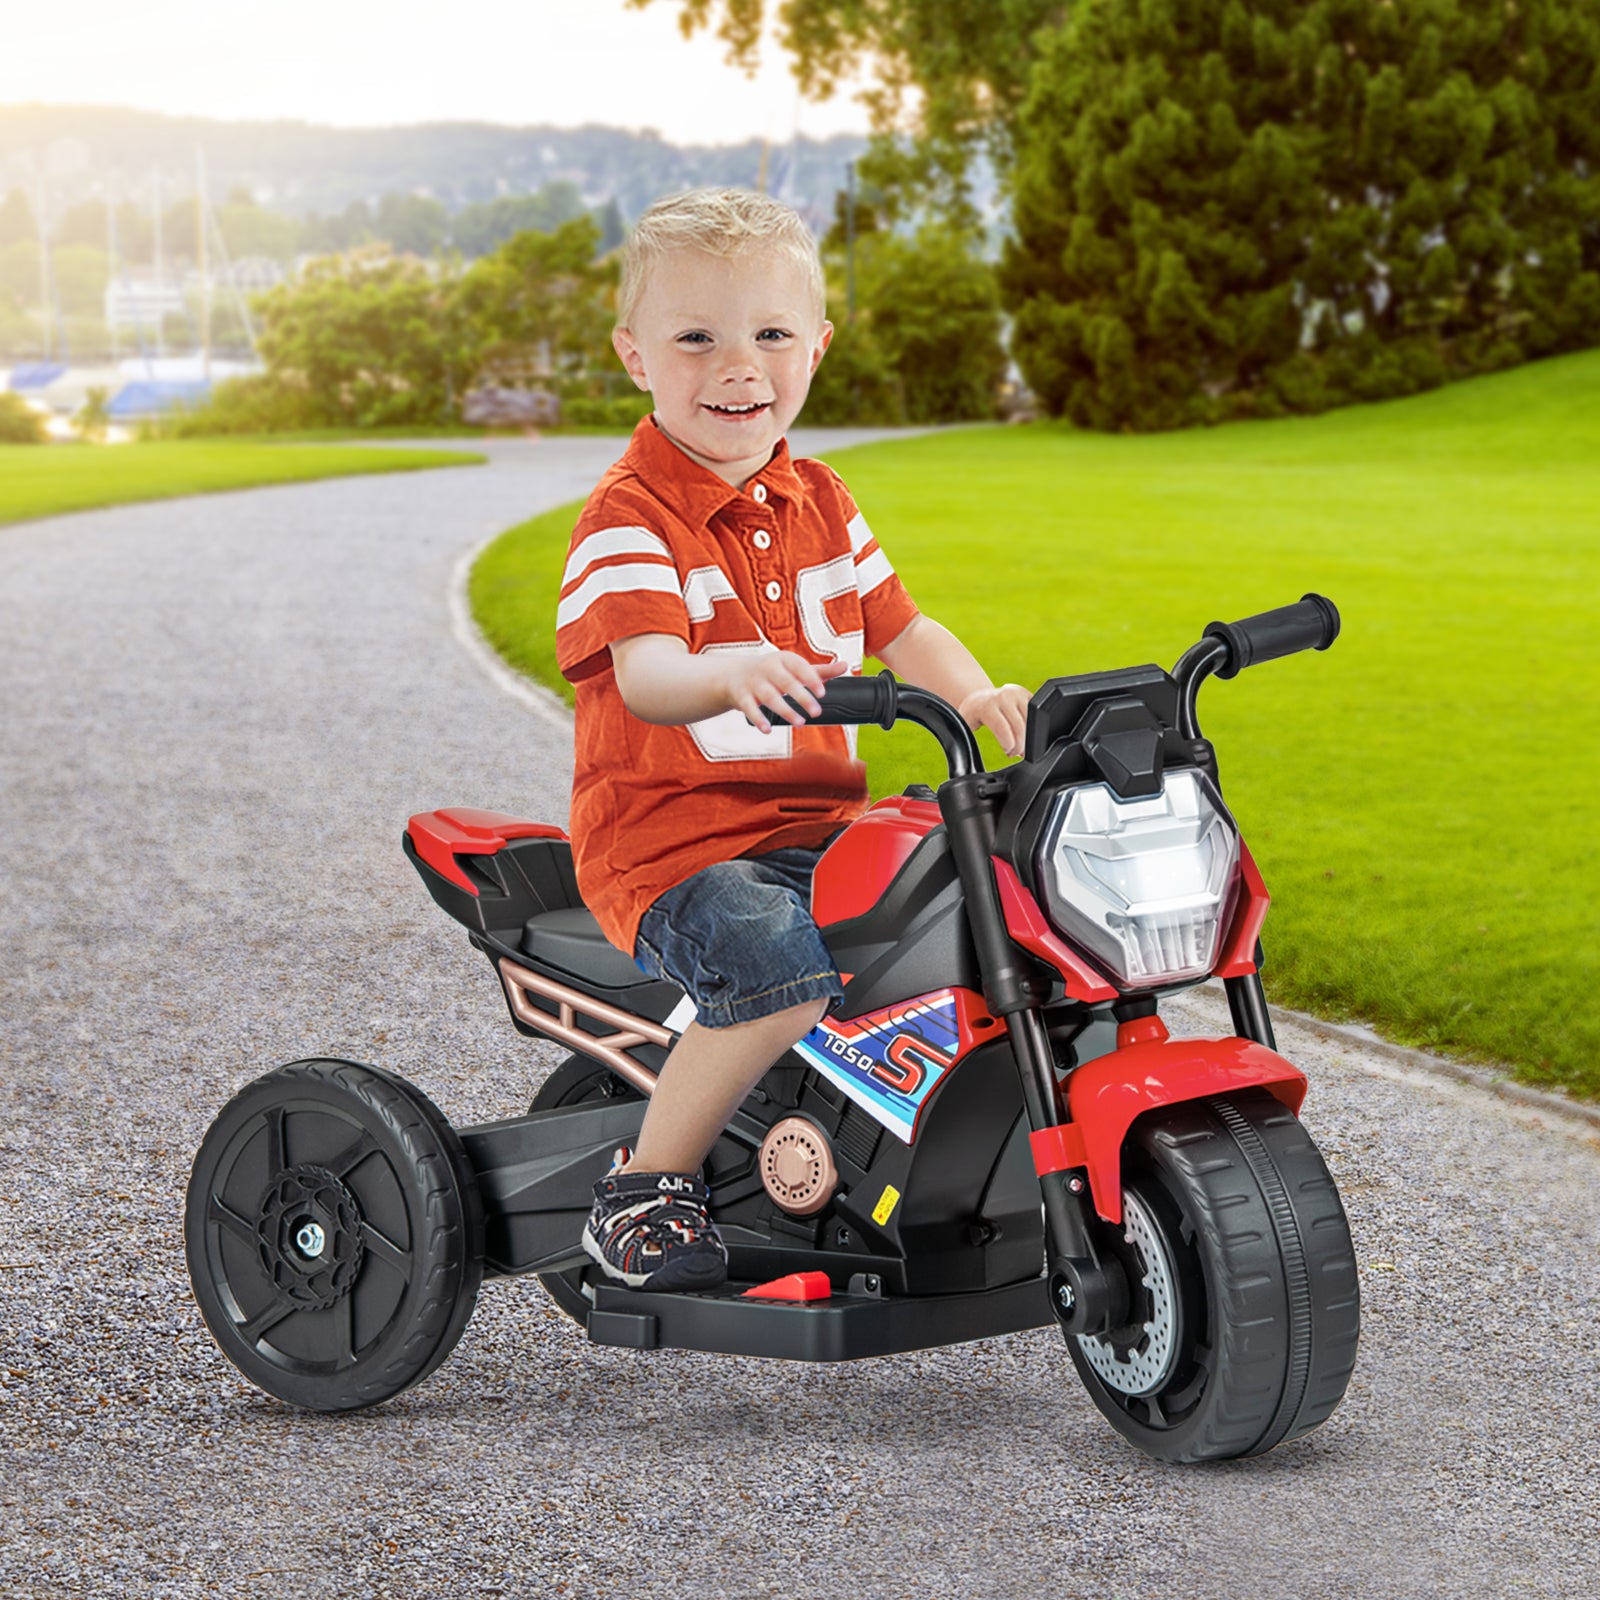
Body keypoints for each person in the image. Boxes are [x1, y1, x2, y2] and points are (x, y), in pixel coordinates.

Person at [555, 188, 1029, 1292]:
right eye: (696, 338)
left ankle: (905, 1154)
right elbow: (649, 675)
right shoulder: (627, 519)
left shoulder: (822, 498)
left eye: (769, 333)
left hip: (817, 825)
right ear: (635, 356)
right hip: (672, 845)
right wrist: (725, 668)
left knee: (966, 902)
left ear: (815, 345)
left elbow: (900, 625)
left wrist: (974, 694)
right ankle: (643, 1187)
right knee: (776, 971)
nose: (738, 366)